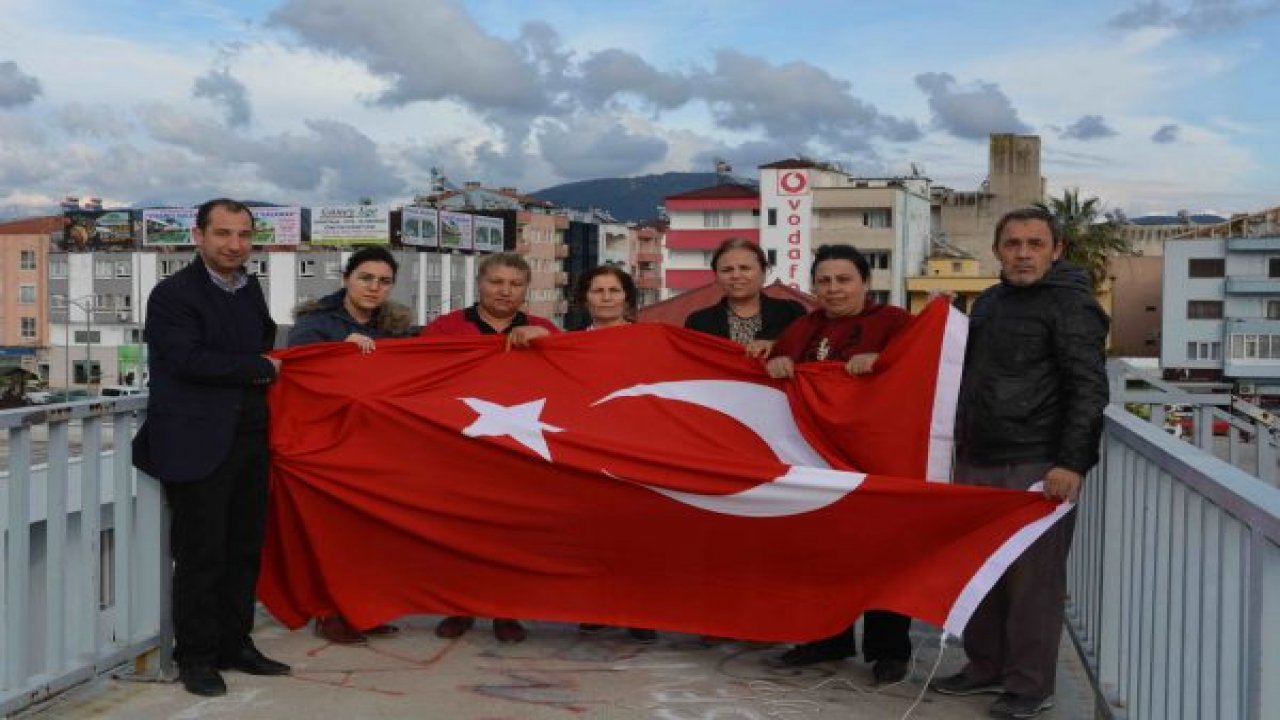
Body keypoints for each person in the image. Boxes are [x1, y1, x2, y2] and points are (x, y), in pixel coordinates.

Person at [930, 207, 1108, 719]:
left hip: (1036, 464)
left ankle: (1029, 687)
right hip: (978, 457)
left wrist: (1071, 463)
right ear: (997, 251)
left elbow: (1088, 391)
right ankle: (985, 666)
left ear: (1057, 250)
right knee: (979, 573)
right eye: (1013, 243)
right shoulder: (988, 301)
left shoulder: (1074, 306)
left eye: (1035, 243)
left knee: (1033, 584)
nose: (1023, 253)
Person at [132, 198, 289, 697]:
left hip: (248, 437)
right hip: (197, 442)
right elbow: (188, 359)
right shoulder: (172, 294)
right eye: (223, 233)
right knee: (201, 555)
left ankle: (234, 644)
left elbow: (257, 342)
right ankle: (196, 657)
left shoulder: (250, 287)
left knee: (243, 548)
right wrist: (260, 369)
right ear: (198, 236)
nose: (234, 245)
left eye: (244, 235)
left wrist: (258, 365)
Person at [764, 244, 914, 685]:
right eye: (824, 280)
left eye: (844, 279)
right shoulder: (802, 327)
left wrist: (886, 362)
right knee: (821, 551)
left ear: (866, 283)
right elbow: (776, 366)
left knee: (883, 554)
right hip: (816, 459)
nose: (833, 289)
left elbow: (920, 367)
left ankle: (890, 650)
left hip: (877, 457)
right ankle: (826, 637)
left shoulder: (895, 324)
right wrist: (778, 360)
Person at [420, 252, 559, 643]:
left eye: (515, 284)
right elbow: (418, 376)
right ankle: (459, 608)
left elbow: (577, 371)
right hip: (460, 448)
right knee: (458, 533)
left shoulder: (542, 327)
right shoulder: (445, 328)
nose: (505, 291)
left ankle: (506, 611)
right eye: (497, 282)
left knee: (511, 535)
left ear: (526, 290)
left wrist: (551, 342)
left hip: (520, 452)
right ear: (480, 283)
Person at [286, 245, 414, 644]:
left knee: (368, 534)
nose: (375, 288)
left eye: (384, 281)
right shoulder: (314, 323)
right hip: (326, 446)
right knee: (331, 533)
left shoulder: (393, 326)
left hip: (373, 445)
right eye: (366, 278)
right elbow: (300, 371)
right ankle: (328, 611)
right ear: (347, 278)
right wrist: (338, 353)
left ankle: (363, 607)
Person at [569, 265, 658, 643]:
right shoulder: (568, 344)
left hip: (638, 446)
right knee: (593, 534)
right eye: (597, 290)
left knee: (639, 535)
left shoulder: (649, 342)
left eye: (613, 291)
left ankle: (640, 612)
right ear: (584, 297)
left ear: (627, 298)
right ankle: (595, 608)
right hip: (589, 446)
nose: (605, 297)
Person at [684, 237, 806, 358]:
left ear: (763, 273)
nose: (736, 275)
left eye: (745, 268)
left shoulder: (792, 312)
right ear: (716, 277)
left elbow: (808, 353)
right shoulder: (698, 322)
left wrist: (776, 347)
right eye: (727, 270)